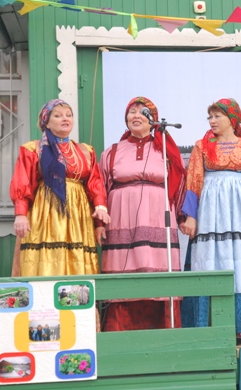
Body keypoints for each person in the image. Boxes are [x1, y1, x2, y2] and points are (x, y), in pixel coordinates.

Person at [180, 98, 241, 340]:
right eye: (210, 117)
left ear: (232, 119)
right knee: (212, 260)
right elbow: (193, 181)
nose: (212, 121)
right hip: (212, 211)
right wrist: (191, 216)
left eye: (217, 116)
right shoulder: (202, 147)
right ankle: (210, 328)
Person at [98, 97, 186, 331]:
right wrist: (99, 223)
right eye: (132, 112)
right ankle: (119, 332)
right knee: (122, 271)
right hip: (121, 220)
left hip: (158, 218)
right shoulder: (112, 152)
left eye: (142, 112)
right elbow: (100, 189)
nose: (136, 116)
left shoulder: (166, 150)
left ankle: (164, 332)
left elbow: (179, 184)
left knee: (157, 269)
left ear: (153, 120)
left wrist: (182, 216)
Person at [10, 99, 110, 277]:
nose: (65, 118)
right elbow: (23, 182)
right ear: (46, 122)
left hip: (78, 215)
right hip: (45, 214)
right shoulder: (33, 149)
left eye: (69, 115)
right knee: (47, 257)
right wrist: (20, 215)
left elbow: (95, 183)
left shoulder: (86, 151)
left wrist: (99, 220)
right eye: (58, 115)